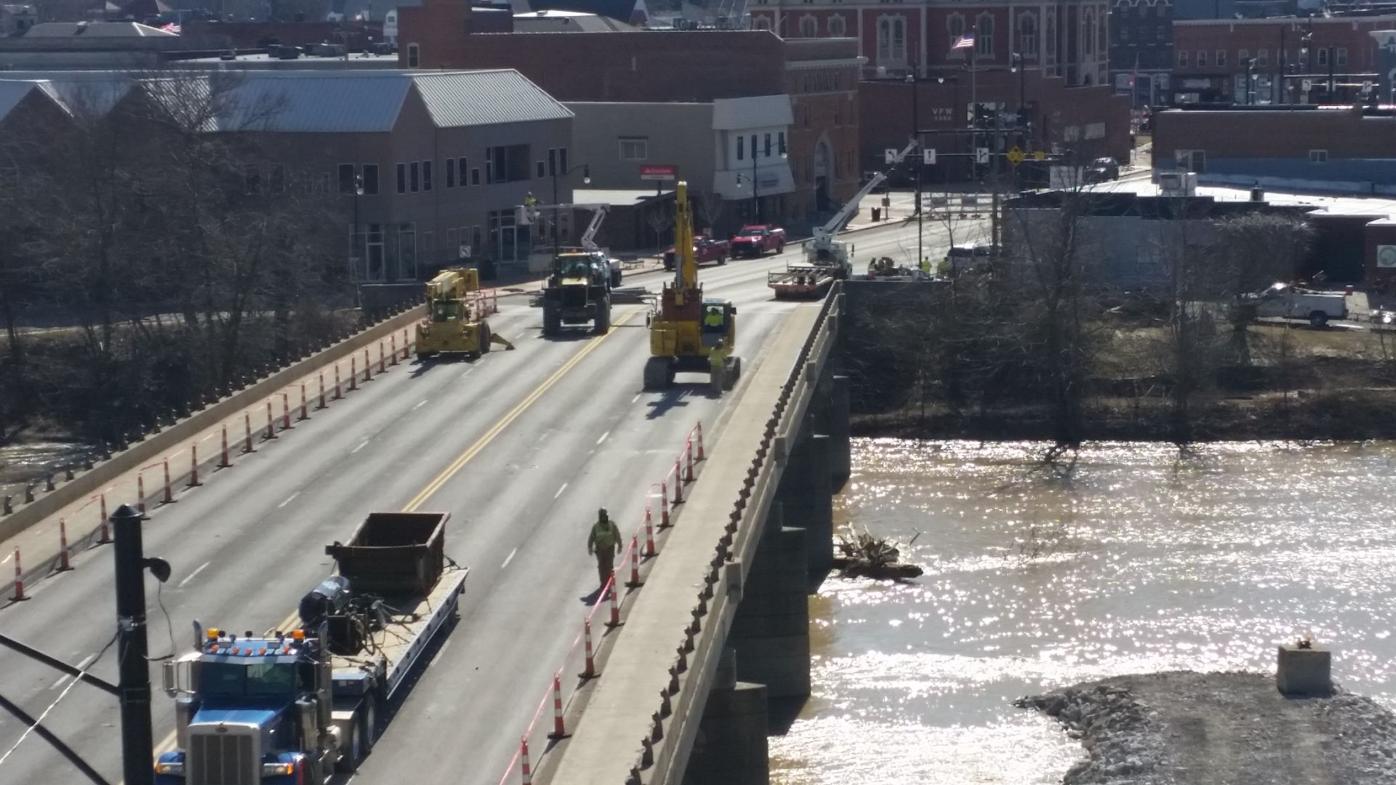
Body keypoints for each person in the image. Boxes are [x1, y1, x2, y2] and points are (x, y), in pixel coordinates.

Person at [587, 508, 623, 591]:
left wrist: (620, 545)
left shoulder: (611, 524)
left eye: (606, 516)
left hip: (610, 548)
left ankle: (610, 584)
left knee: (609, 566)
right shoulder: (596, 526)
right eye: (603, 516)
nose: (605, 517)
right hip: (600, 550)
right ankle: (603, 584)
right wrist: (590, 547)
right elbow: (591, 538)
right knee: (601, 567)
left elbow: (617, 535)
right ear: (600, 517)